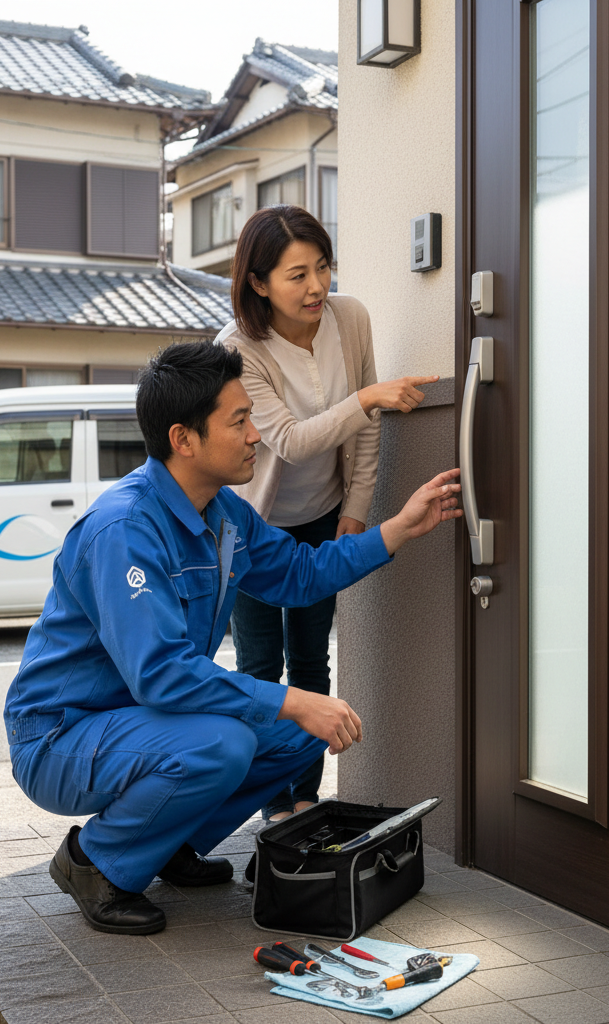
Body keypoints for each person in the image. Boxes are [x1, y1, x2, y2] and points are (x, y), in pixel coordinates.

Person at [4, 340, 461, 936]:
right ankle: (94, 862)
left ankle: (165, 843)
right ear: (183, 439)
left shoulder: (224, 513)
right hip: (61, 736)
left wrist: (396, 529)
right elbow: (163, 674)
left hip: (146, 720)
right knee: (225, 741)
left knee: (302, 731)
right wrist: (292, 697)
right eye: (239, 421)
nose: (255, 435)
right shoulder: (124, 529)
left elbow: (299, 574)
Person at [219, 205, 438, 821]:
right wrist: (366, 397)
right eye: (297, 275)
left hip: (322, 514)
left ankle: (305, 795)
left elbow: (366, 429)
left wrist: (356, 508)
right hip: (253, 524)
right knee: (261, 665)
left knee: (312, 658)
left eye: (322, 267)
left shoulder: (351, 318)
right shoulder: (238, 347)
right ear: (259, 282)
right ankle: (270, 803)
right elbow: (290, 440)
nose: (316, 286)